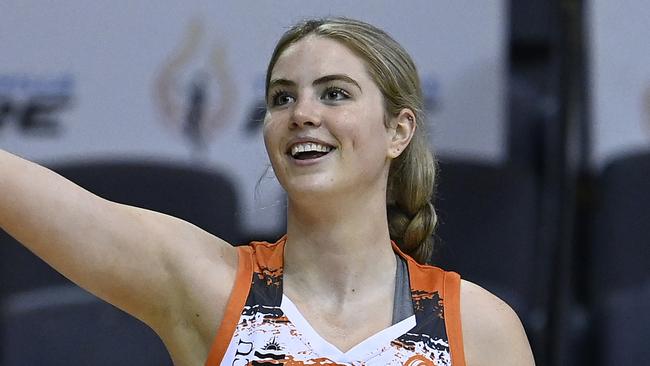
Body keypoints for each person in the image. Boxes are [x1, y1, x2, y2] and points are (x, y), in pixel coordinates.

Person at [0, 17, 535, 366]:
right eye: (282, 98)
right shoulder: (208, 286)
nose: (302, 114)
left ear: (398, 130)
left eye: (334, 93)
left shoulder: (481, 328)